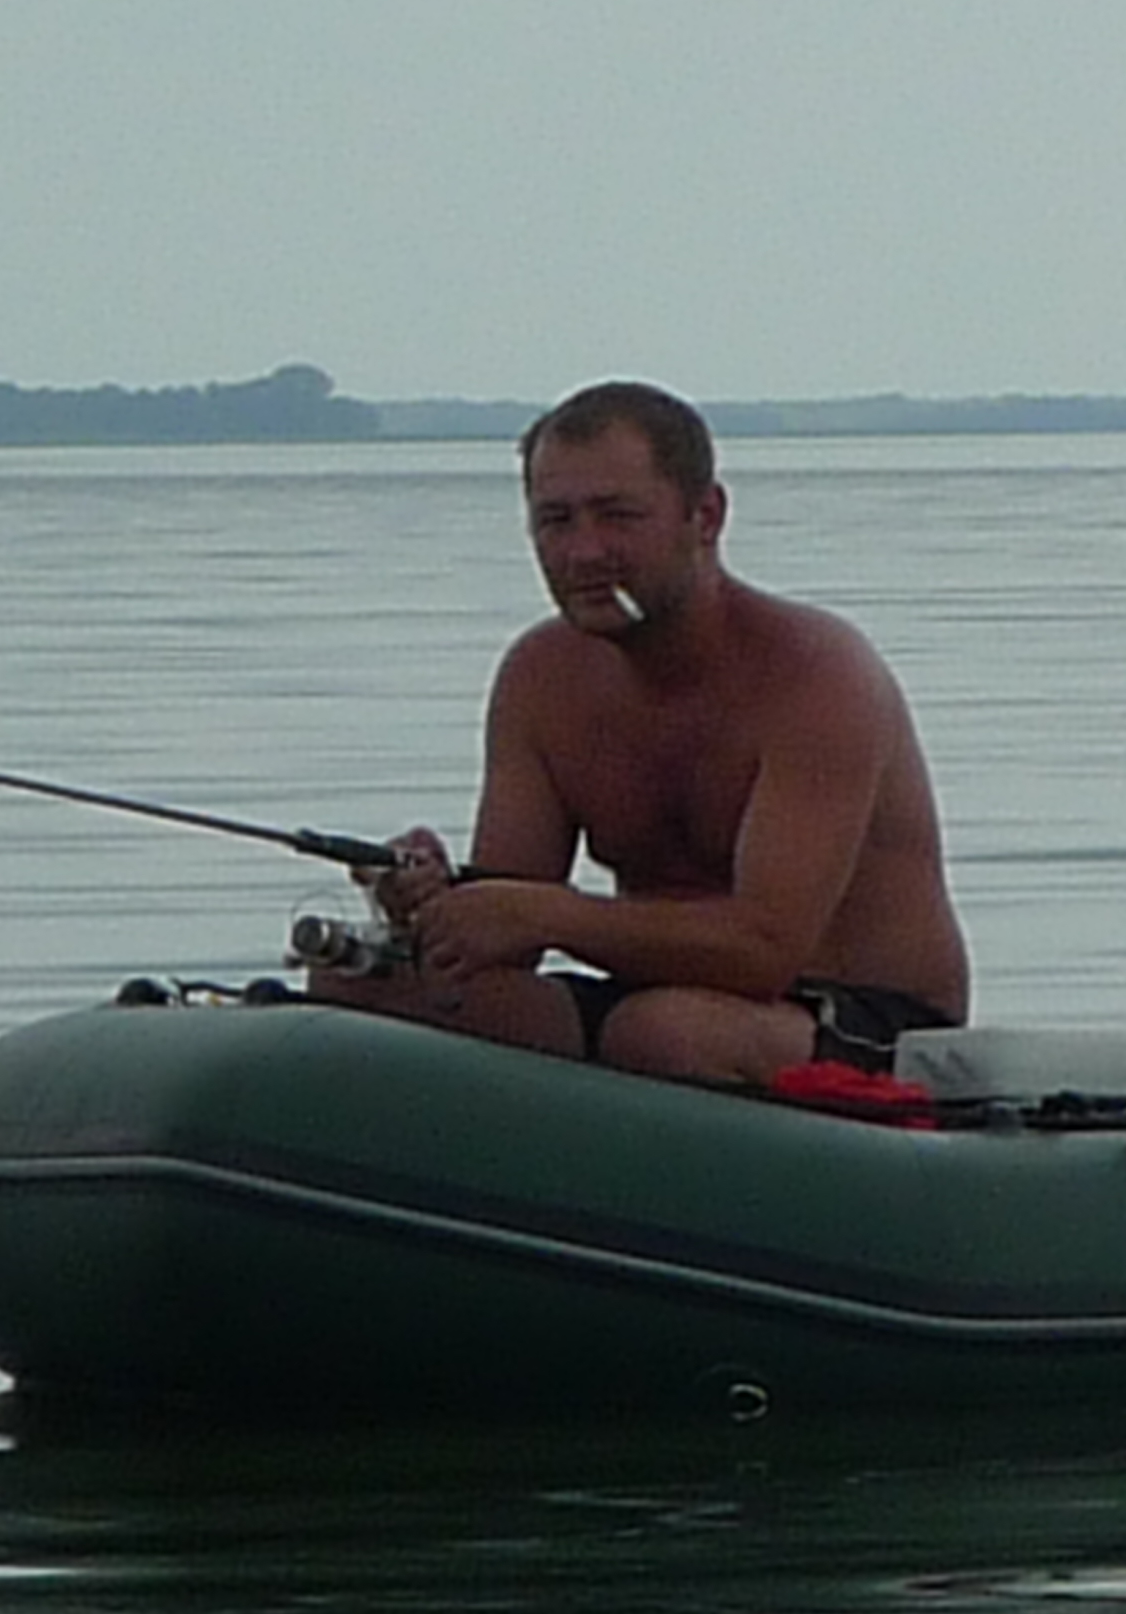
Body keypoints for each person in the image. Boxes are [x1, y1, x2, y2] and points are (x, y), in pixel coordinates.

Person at [312, 379, 968, 1085]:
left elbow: (763, 951)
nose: (584, 552)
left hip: (867, 1019)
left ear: (705, 516)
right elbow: (510, 932)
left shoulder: (817, 674)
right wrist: (432, 904)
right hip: (654, 998)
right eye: (556, 520)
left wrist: (549, 915)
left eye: (618, 516)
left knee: (664, 1034)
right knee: (351, 986)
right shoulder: (541, 676)